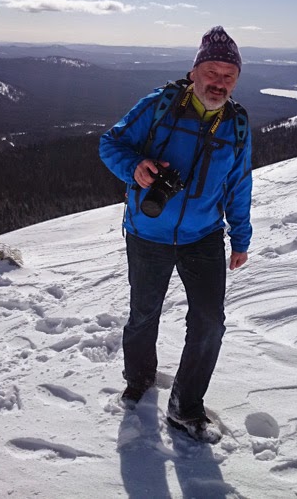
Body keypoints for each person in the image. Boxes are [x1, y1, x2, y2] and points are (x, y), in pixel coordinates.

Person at [98, 26, 253, 443]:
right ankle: (139, 378)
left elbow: (239, 185)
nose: (219, 82)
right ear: (194, 72)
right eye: (212, 72)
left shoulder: (236, 126)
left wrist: (241, 238)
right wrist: (134, 167)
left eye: (228, 76)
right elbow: (110, 143)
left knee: (210, 322)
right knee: (144, 314)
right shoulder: (160, 105)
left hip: (203, 235)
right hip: (148, 232)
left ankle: (186, 407)